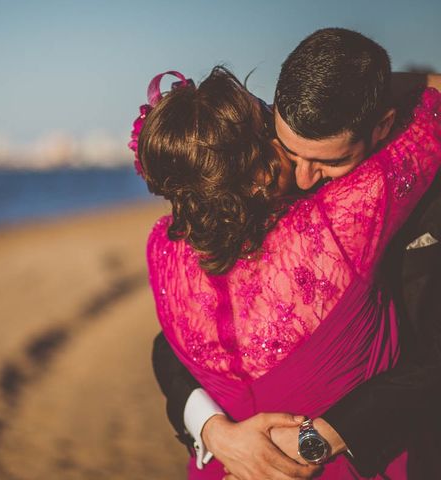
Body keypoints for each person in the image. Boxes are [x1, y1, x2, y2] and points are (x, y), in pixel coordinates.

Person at [132, 29, 441, 479]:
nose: (304, 177)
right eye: (283, 151)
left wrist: (217, 433)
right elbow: (433, 101)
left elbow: (169, 351)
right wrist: (218, 431)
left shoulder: (162, 248)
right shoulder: (343, 222)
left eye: (325, 162)